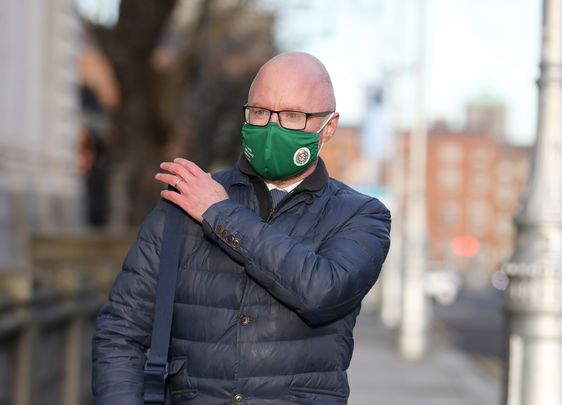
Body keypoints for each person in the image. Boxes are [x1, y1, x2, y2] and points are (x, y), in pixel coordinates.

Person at [92, 52, 391, 405]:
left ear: (328, 127)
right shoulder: (183, 202)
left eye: (293, 116)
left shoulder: (361, 215)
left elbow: (322, 292)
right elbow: (120, 332)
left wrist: (219, 213)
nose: (271, 129)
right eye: (260, 112)